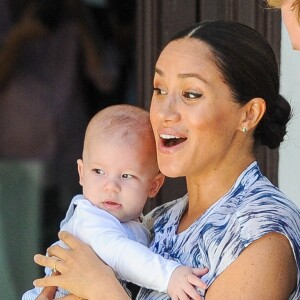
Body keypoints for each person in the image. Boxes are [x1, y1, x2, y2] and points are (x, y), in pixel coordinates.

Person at [32, 20, 300, 300]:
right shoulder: (157, 221)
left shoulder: (262, 234)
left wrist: (101, 290)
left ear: (248, 114)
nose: (164, 113)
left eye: (191, 94)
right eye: (159, 90)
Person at [23, 104, 208, 300]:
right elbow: (121, 255)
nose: (111, 186)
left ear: (154, 185)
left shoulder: (140, 222)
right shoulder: (91, 219)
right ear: (81, 173)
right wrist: (169, 276)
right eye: (98, 172)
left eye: (126, 176)